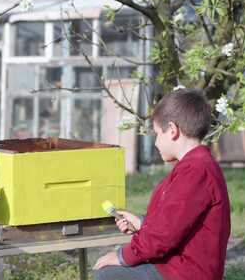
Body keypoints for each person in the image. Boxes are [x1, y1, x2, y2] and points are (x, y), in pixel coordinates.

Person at [94, 89, 231, 280]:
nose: (156, 142)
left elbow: (164, 236)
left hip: (184, 273)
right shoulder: (196, 165)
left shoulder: (195, 171)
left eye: (158, 133)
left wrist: (122, 257)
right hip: (179, 266)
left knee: (107, 275)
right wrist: (142, 223)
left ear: (173, 131)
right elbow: (175, 224)